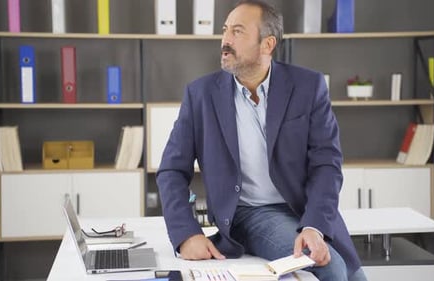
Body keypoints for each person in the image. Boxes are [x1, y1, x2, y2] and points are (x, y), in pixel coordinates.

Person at [157, 1, 367, 280]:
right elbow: (171, 170)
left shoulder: (309, 86)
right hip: (250, 212)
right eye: (225, 30)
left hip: (306, 210)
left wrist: (314, 226)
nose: (225, 40)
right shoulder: (201, 95)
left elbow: (326, 164)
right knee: (331, 269)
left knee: (354, 276)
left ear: (267, 44)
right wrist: (186, 234)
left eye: (238, 32)